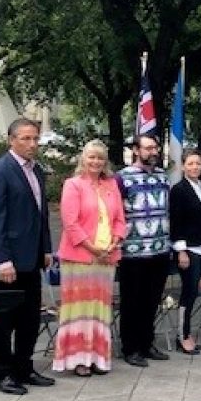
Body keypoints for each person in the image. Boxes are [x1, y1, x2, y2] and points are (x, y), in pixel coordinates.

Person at [0, 118, 56, 395]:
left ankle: (24, 367)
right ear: (11, 140)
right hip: (6, 263)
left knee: (29, 319)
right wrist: (3, 261)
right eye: (25, 138)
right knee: (4, 321)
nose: (32, 144)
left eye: (35, 138)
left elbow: (41, 215)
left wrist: (46, 248)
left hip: (31, 259)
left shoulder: (36, 171)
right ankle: (1, 373)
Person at [53, 140, 125, 376]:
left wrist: (115, 241)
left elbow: (120, 220)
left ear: (106, 162)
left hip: (107, 257)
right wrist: (94, 249)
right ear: (83, 159)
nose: (96, 162)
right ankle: (78, 359)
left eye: (100, 158)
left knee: (100, 309)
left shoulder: (111, 184)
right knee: (80, 309)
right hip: (80, 257)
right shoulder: (73, 185)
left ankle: (99, 357)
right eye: (91, 157)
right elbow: (70, 223)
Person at [116, 134, 171, 367]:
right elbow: (114, 213)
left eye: (155, 148)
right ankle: (130, 348)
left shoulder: (162, 176)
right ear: (136, 150)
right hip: (132, 252)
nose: (153, 152)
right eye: (148, 148)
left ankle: (147, 344)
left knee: (152, 300)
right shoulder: (122, 178)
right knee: (132, 301)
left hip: (159, 249)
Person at [169, 149, 201, 354]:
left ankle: (187, 333)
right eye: (191, 163)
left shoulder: (200, 187)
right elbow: (176, 222)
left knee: (194, 293)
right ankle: (182, 336)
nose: (195, 167)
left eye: (198, 163)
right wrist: (181, 251)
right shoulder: (179, 190)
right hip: (189, 249)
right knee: (188, 293)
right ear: (183, 166)